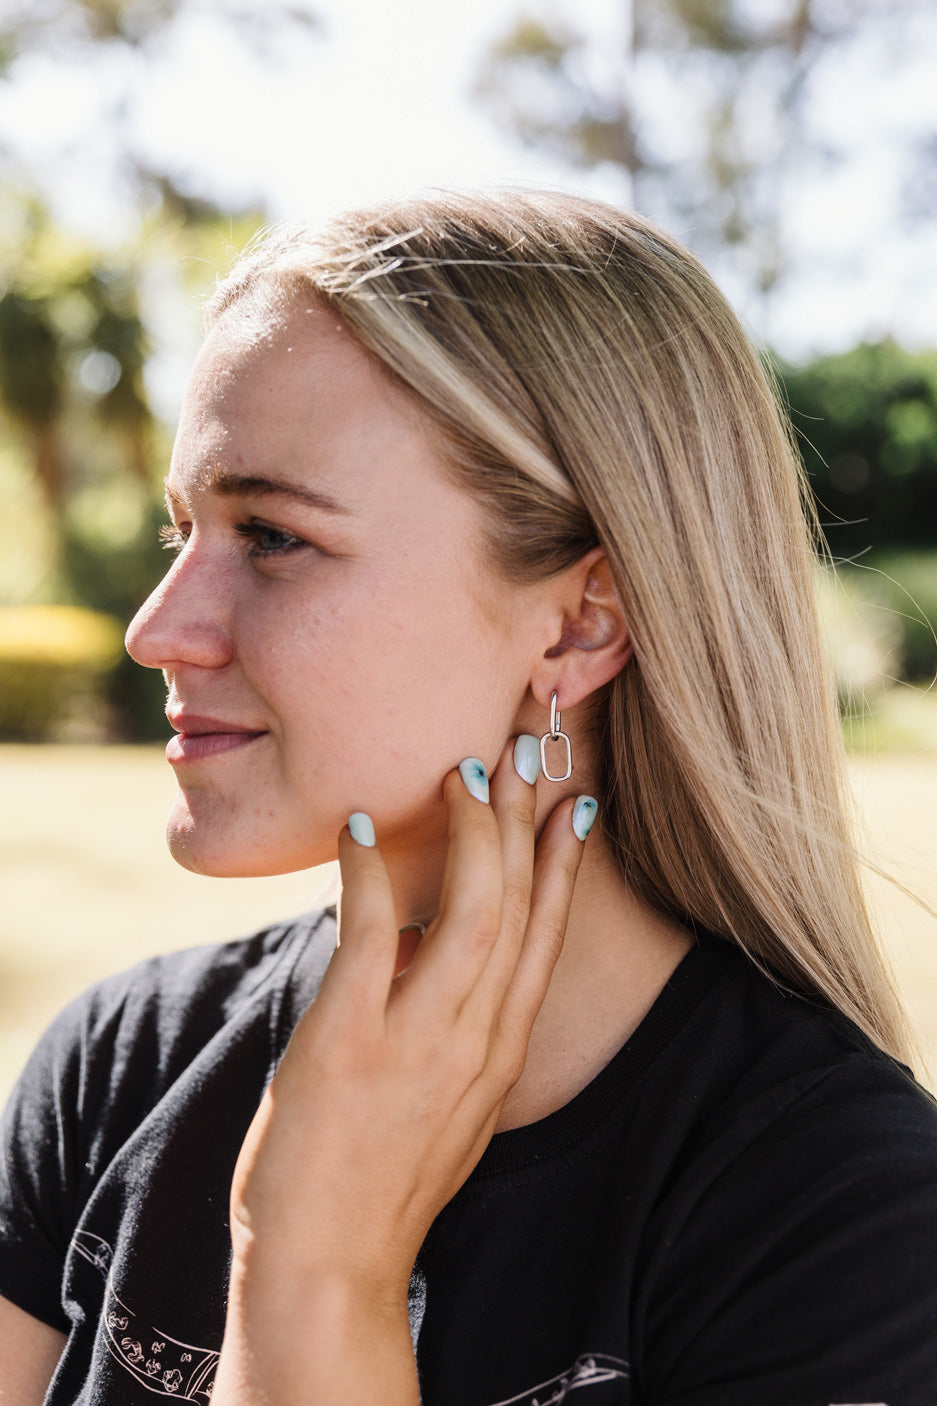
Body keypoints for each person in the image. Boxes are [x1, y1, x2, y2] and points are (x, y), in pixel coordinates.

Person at [1, 189, 936, 1406]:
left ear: (580, 622)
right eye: (184, 531)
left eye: (270, 535)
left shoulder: (839, 1217)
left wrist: (316, 1273)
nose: (156, 627)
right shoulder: (117, 1066)